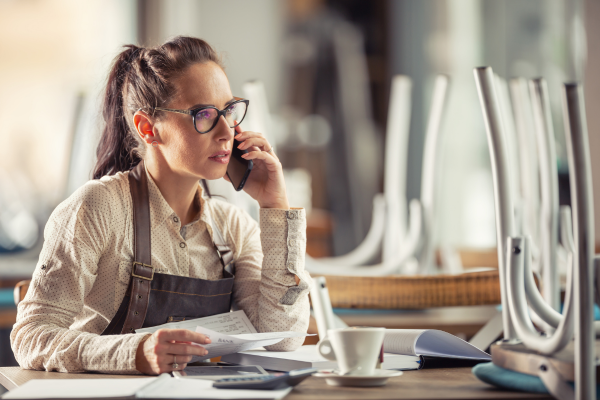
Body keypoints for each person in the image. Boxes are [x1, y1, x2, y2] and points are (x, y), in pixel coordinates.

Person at [11, 36, 312, 375]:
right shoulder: (98, 208)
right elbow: (31, 337)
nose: (227, 131)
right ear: (147, 127)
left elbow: (281, 338)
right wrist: (133, 353)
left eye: (228, 110)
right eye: (204, 114)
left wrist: (275, 207)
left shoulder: (233, 226)